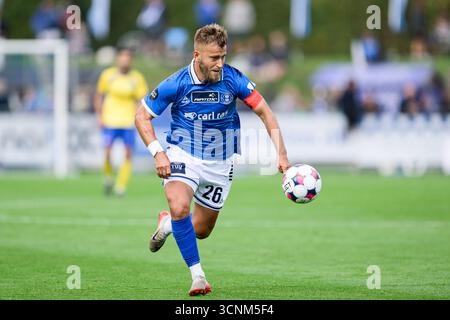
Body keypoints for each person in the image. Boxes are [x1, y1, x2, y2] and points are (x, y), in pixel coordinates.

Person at [135, 24, 290, 296]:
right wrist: (158, 152)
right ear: (197, 55)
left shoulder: (234, 79)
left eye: (223, 57)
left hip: (221, 162)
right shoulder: (176, 83)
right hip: (183, 155)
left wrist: (282, 154)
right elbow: (141, 116)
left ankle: (168, 225)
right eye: (213, 58)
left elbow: (265, 112)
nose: (220, 64)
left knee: (202, 230)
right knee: (179, 205)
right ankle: (198, 277)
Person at [94, 47, 148, 196]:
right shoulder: (108, 75)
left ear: (131, 61)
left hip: (128, 122)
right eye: (122, 57)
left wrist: (139, 118)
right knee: (107, 153)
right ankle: (108, 177)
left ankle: (120, 187)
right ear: (118, 59)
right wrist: (99, 116)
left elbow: (142, 101)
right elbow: (99, 96)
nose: (125, 61)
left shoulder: (137, 78)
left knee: (128, 154)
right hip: (109, 120)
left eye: (127, 58)